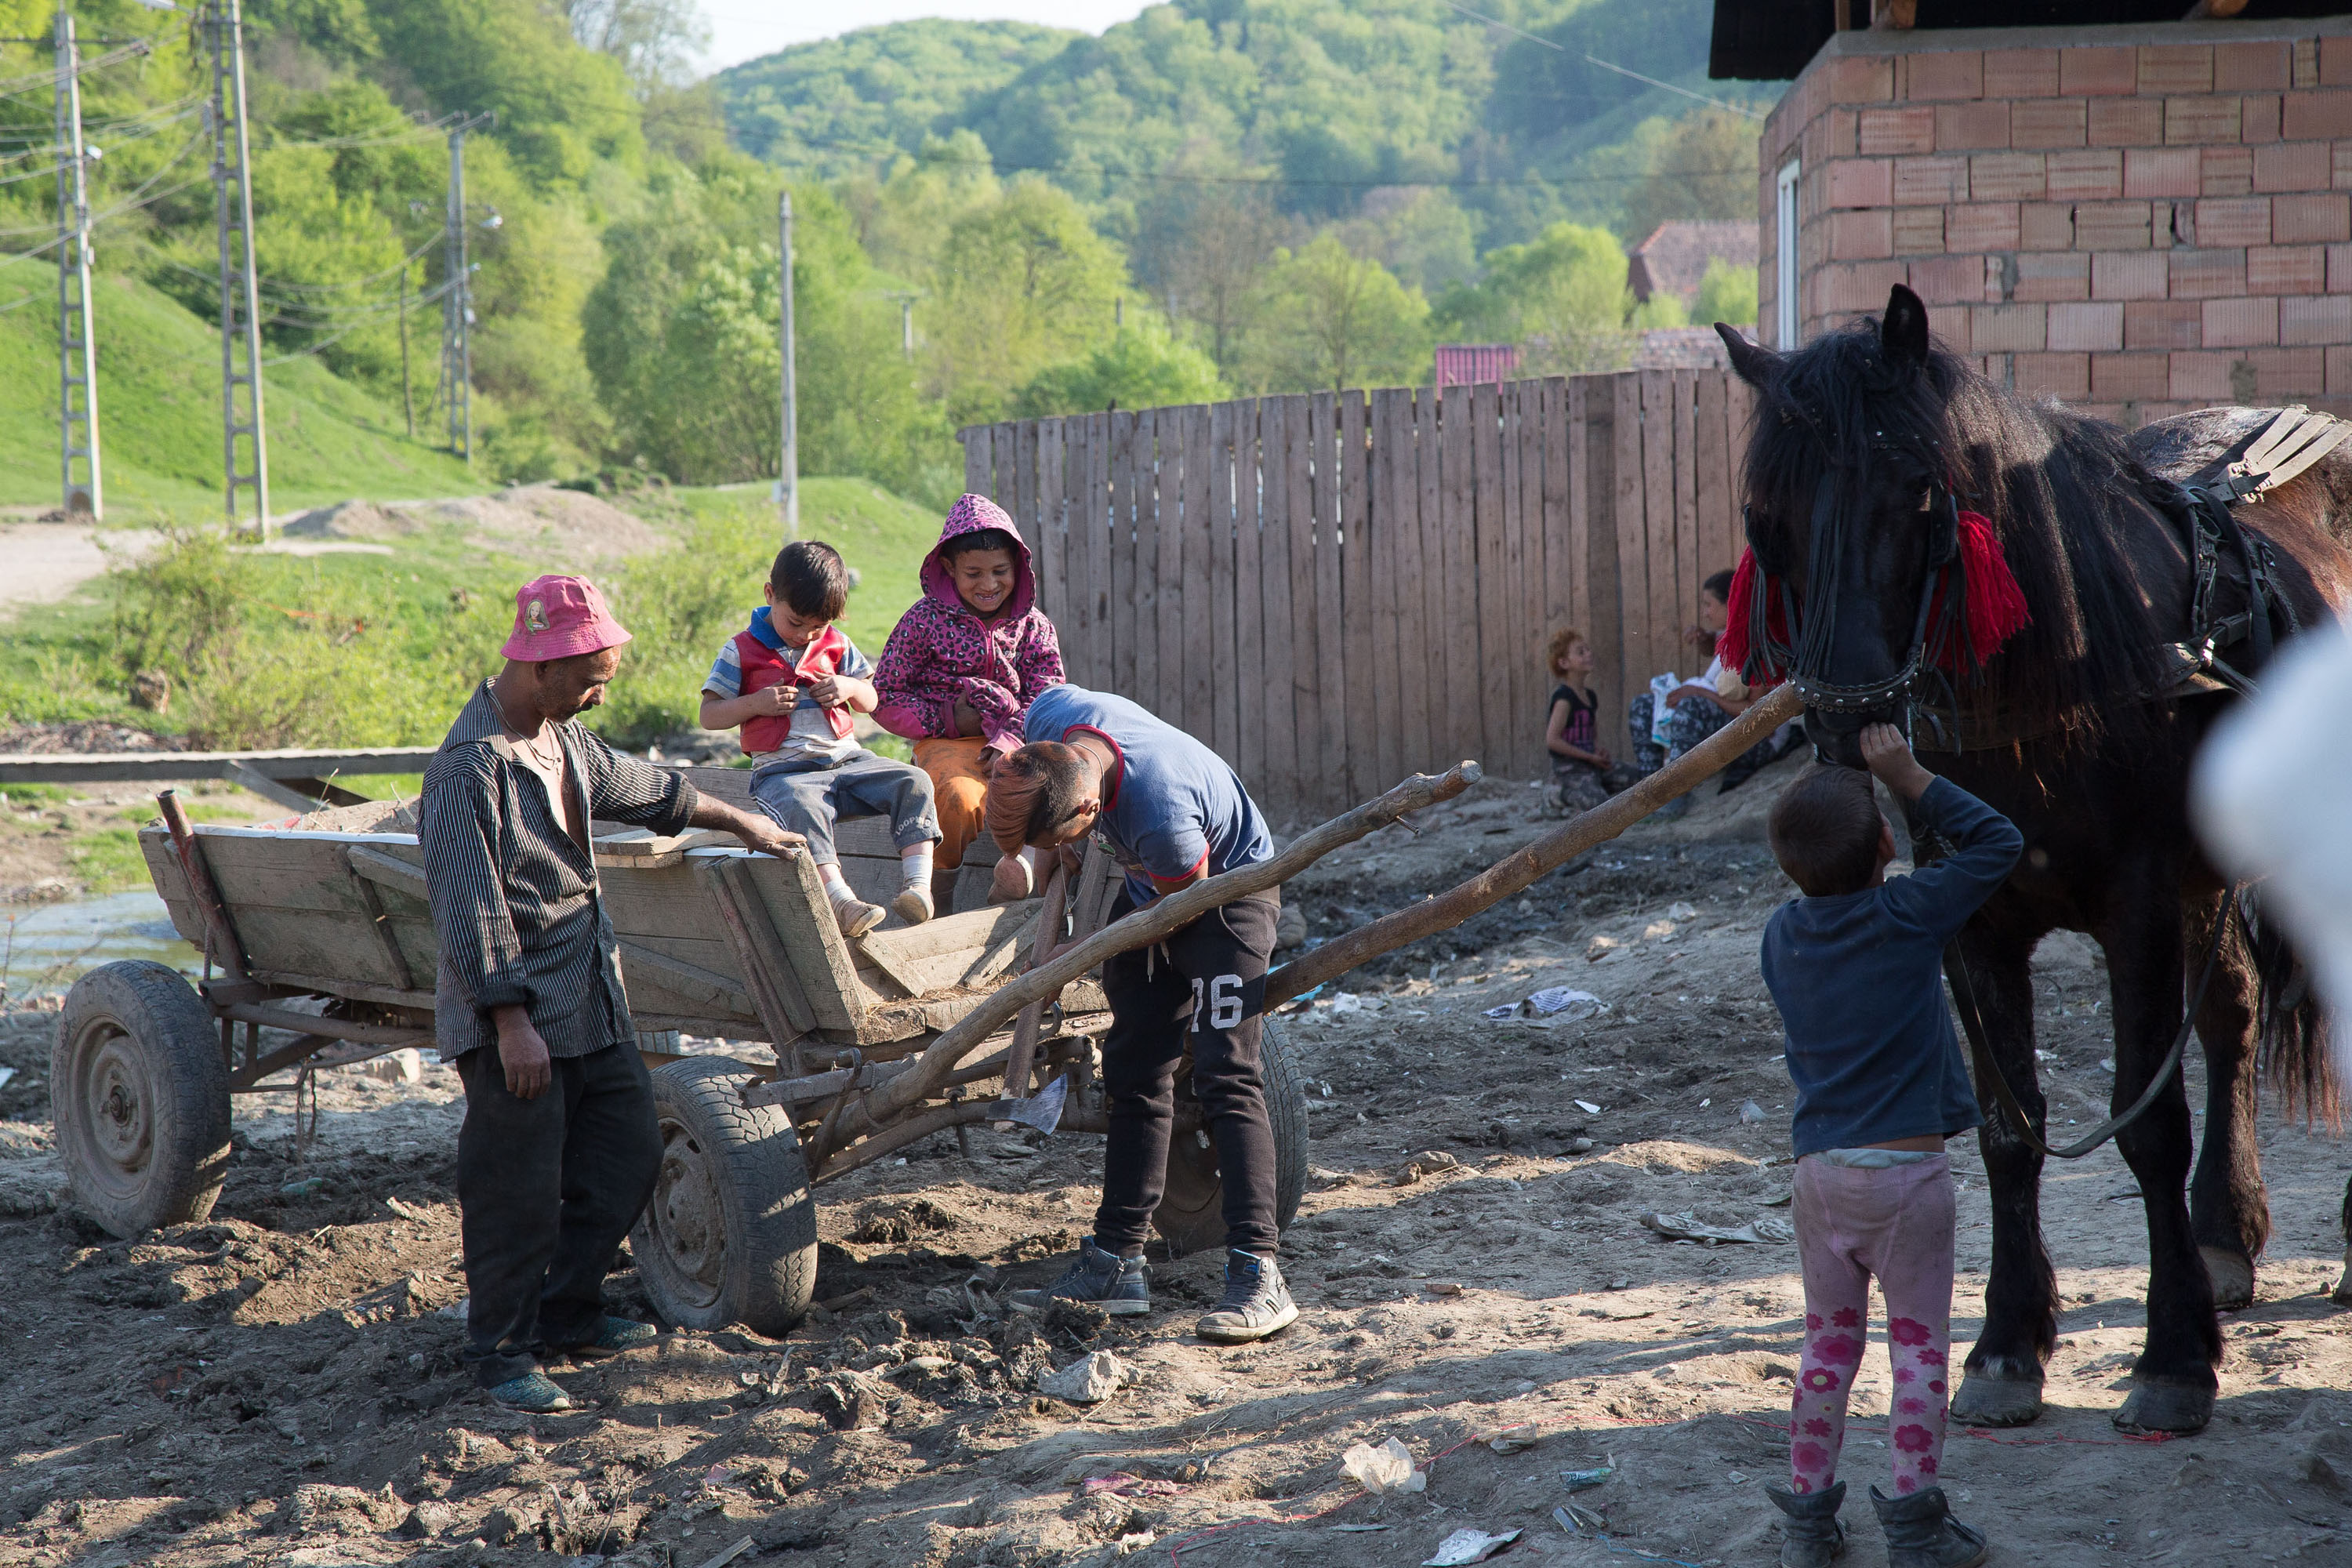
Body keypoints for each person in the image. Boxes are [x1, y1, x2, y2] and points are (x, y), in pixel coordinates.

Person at [422, 574, 802, 1414]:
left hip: (588, 993)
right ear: (540, 663)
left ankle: (568, 1309)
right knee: (515, 1185)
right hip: (514, 1014)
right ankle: (502, 1349)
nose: (602, 689)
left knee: (628, 1155)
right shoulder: (468, 770)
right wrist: (509, 1020)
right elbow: (468, 904)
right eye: (592, 673)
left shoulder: (563, 739)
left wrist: (739, 819)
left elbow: (646, 787)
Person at [1756, 724, 2017, 1568]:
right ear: (1885, 847)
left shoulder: (1779, 936)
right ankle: (1915, 1526)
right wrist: (1909, 775)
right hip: (1907, 1180)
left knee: (1827, 1344)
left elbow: (1831, 886)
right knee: (1918, 1349)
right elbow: (1998, 840)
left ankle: (1807, 1524)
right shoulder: (1909, 913)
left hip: (1818, 1176)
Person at [982, 684, 1295, 1344]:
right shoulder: (1051, 716)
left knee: (1224, 1072)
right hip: (1152, 885)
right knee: (1132, 1071)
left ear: (1092, 803)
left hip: (1223, 891)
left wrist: (1084, 949)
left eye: (1072, 835)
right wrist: (1050, 850)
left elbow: (1179, 913)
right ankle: (1117, 1262)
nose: (1066, 847)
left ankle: (1258, 1273)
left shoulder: (1162, 815)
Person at [700, 540, 944, 938]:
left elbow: (871, 698)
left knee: (915, 781)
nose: (805, 635)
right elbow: (709, 716)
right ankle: (840, 899)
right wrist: (756, 703)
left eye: (817, 626)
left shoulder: (837, 644)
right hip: (787, 773)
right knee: (800, 806)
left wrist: (848, 686)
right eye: (796, 623)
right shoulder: (740, 650)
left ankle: (918, 887)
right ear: (769, 596)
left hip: (848, 763)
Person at [872, 493, 1064, 911]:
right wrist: (950, 719)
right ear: (948, 568)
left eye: (1000, 571)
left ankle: (1016, 883)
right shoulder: (923, 621)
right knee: (957, 798)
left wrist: (1011, 741)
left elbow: (1047, 694)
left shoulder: (1034, 626)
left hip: (1022, 743)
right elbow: (885, 694)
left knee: (1062, 789)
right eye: (974, 573)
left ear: (1018, 566)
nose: (989, 584)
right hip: (948, 744)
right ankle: (937, 897)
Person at [1628, 569, 1798, 811]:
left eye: (1709, 605)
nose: (1705, 612)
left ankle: (1673, 795)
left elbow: (1757, 713)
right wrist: (1705, 638)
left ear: (1730, 603)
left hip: (1759, 743)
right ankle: (1650, 791)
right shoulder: (1734, 635)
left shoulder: (1758, 643)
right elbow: (1716, 646)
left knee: (1692, 705)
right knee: (1643, 705)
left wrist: (1701, 693)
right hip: (1729, 726)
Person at [1544, 626, 1639, 813]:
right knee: (1600, 806)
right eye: (1581, 652)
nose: (1588, 654)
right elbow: (1552, 741)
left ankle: (1591, 786)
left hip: (1591, 764)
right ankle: (1557, 794)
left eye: (1587, 649)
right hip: (1570, 768)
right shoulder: (1564, 698)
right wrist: (1589, 756)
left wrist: (1597, 751)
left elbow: (1591, 733)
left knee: (1638, 778)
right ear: (1563, 663)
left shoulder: (1590, 696)